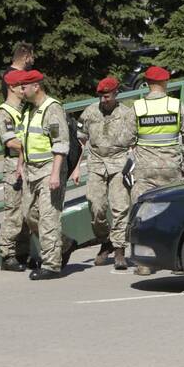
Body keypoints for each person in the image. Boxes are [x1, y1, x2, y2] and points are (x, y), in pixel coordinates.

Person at [132, 66, 184, 274]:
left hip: (144, 169)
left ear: (147, 83)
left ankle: (144, 263)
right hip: (171, 168)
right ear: (165, 83)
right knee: (176, 212)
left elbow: (123, 138)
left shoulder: (137, 107)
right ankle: (178, 263)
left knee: (142, 213)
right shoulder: (176, 106)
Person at [18, 70, 78, 279]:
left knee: (48, 218)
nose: (21, 91)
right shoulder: (29, 110)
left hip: (48, 169)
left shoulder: (52, 109)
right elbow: (24, 140)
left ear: (36, 86)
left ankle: (52, 265)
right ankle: (66, 244)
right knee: (29, 215)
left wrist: (55, 174)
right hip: (31, 171)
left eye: (24, 87)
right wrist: (20, 165)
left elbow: (60, 144)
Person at [74, 77, 136, 270]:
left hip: (119, 163)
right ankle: (105, 239)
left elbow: (135, 142)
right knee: (96, 205)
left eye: (107, 97)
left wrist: (134, 165)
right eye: (101, 97)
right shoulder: (91, 112)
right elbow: (81, 141)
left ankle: (119, 250)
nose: (103, 100)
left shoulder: (127, 114)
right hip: (96, 163)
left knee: (120, 207)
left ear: (116, 94)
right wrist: (75, 167)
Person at [0, 70, 30, 271]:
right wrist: (33, 144)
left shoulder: (25, 110)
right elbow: (11, 142)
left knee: (28, 211)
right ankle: (7, 254)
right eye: (21, 86)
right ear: (12, 88)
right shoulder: (3, 113)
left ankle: (23, 252)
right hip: (13, 166)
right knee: (14, 210)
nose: (24, 90)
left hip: (29, 164)